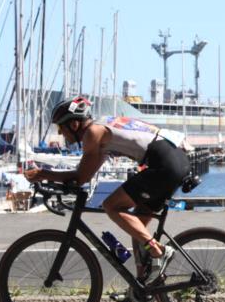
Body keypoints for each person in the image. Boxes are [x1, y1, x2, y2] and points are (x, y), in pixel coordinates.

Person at [24, 96, 192, 290]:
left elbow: (80, 177)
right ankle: (142, 284)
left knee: (111, 206)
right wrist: (54, 178)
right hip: (175, 160)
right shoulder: (102, 131)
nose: (61, 133)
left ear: (75, 124)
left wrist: (43, 174)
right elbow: (85, 176)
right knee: (137, 228)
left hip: (164, 165)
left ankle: (158, 250)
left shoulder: (93, 133)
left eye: (61, 128)